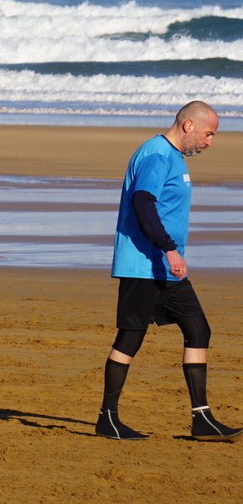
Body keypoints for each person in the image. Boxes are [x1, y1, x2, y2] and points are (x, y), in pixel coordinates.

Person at [96, 100, 241, 442]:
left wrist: (169, 253)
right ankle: (108, 419)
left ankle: (202, 419)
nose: (209, 142)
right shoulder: (156, 154)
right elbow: (142, 202)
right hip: (143, 264)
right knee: (130, 339)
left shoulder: (174, 157)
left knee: (198, 330)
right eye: (208, 134)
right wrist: (169, 247)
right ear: (189, 125)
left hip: (165, 267)